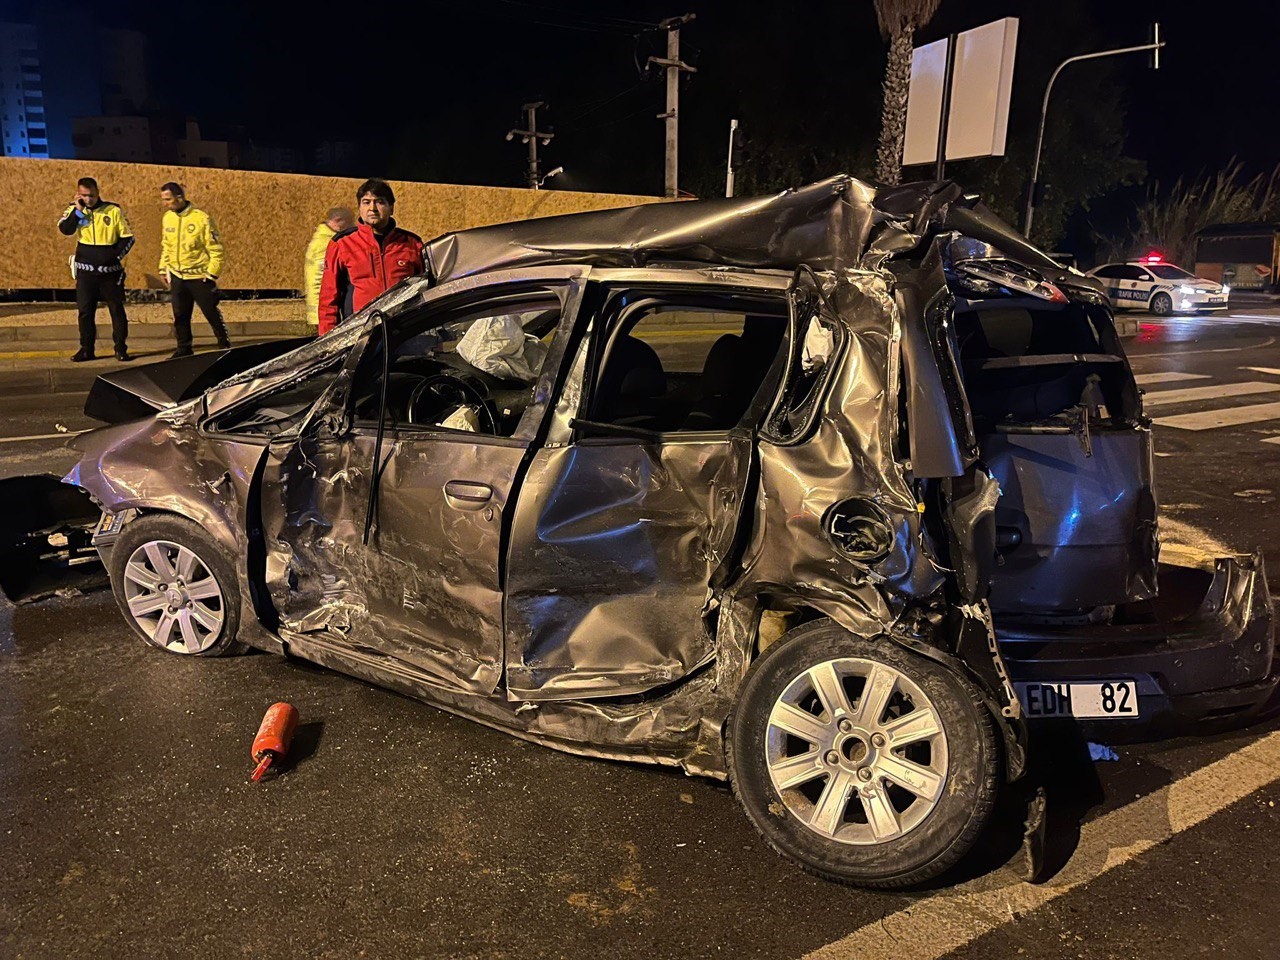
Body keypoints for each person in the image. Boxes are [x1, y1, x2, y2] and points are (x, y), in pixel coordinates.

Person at [318, 178, 424, 335]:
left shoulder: (412, 244)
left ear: (391, 208)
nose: (372, 208)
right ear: (359, 208)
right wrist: (327, 341)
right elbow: (328, 299)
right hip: (359, 334)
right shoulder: (342, 244)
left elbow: (425, 290)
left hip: (403, 332)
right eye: (366, 202)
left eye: (380, 202)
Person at [57, 177, 134, 362]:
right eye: (84, 195)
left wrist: (114, 256)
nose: (88, 199)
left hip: (109, 273)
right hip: (86, 273)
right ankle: (86, 349)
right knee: (85, 311)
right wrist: (78, 211)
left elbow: (128, 238)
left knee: (116, 310)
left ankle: (121, 348)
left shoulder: (112, 210)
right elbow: (65, 229)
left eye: (91, 195)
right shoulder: (74, 210)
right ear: (78, 194)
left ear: (97, 193)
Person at [158, 182, 231, 358]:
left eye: (168, 199)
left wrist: (212, 273)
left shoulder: (201, 219)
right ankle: (184, 347)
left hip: (199, 277)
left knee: (210, 312)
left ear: (179, 198)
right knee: (180, 315)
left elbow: (216, 249)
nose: (165, 203)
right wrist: (163, 267)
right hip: (177, 275)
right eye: (163, 200)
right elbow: (166, 245)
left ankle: (223, 342)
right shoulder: (168, 218)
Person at [303, 206, 353, 328]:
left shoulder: (321, 238)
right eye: (349, 222)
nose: (352, 226)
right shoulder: (329, 244)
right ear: (338, 221)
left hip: (319, 310)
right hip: (324, 312)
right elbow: (321, 280)